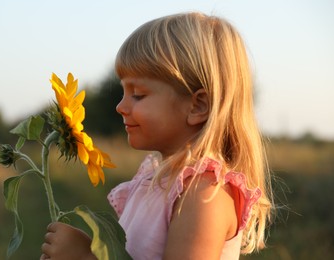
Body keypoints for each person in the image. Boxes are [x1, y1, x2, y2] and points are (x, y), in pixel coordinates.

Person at [41, 11, 273, 260]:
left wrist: (86, 258)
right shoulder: (156, 179)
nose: (120, 106)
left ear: (197, 106)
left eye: (138, 94)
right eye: (123, 92)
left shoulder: (203, 195)